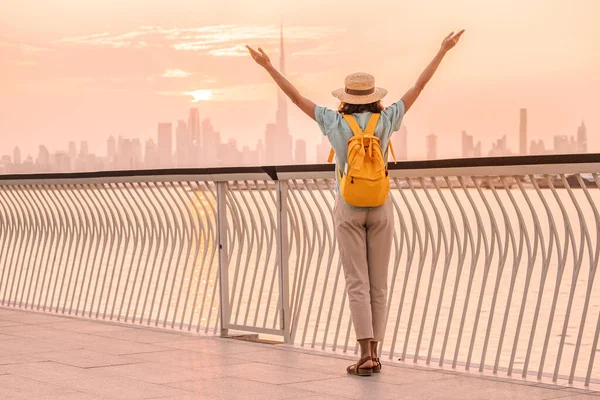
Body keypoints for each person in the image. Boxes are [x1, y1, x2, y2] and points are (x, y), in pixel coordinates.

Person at [247, 29, 465, 376]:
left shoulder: (334, 120)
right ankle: (376, 355)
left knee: (357, 283)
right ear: (374, 95)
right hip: (381, 205)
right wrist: (442, 50)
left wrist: (268, 66)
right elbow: (418, 88)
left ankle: (363, 353)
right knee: (379, 283)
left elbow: (295, 98)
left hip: (348, 205)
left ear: (346, 97)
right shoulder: (387, 118)